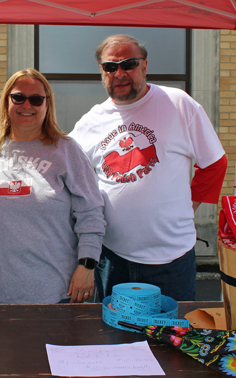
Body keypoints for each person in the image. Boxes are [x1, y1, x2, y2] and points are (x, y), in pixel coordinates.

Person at [69, 34, 227, 302]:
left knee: (169, 338)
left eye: (128, 64)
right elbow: (70, 178)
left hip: (171, 260)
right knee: (114, 338)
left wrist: (190, 207)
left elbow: (214, 163)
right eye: (110, 67)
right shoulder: (90, 121)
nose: (119, 73)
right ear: (101, 71)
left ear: (144, 65)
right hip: (112, 259)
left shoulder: (179, 103)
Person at [0, 68, 106, 304]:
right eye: (18, 97)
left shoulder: (66, 150)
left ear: (47, 104)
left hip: (59, 294)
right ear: (6, 102)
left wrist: (87, 265)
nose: (27, 105)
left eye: (36, 99)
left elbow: (91, 212)